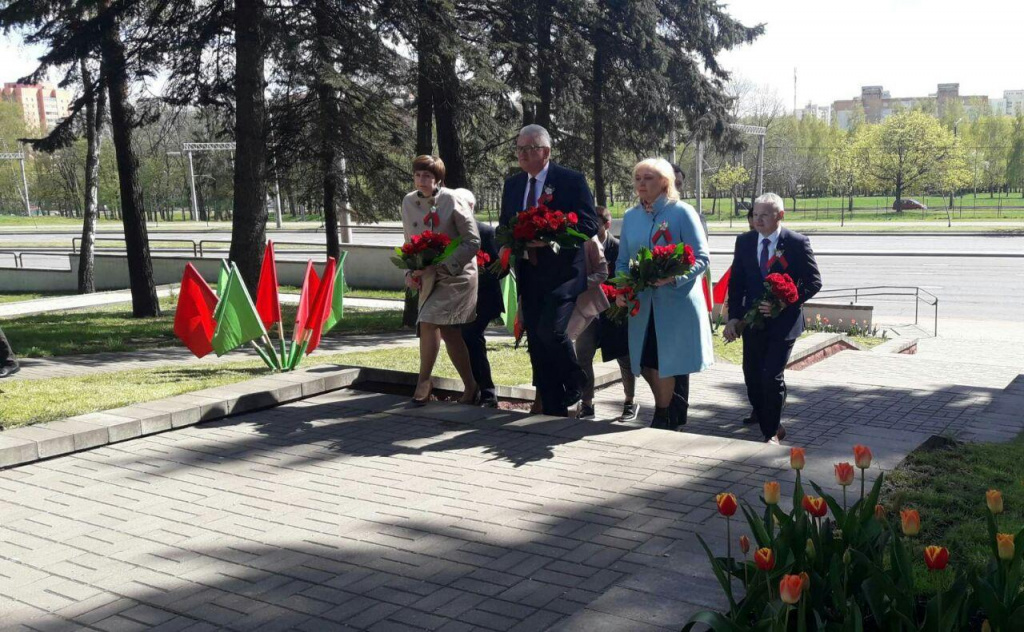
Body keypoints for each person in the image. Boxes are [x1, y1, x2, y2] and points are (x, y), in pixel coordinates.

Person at [499, 125, 598, 417]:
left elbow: (589, 224)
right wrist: (510, 242)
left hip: (563, 272)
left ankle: (575, 378)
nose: (523, 154)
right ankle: (553, 410)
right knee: (537, 342)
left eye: (529, 149)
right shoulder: (514, 185)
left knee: (551, 331)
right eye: (519, 149)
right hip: (529, 272)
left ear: (546, 152)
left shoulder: (570, 180)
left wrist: (551, 235)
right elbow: (505, 225)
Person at [615, 158, 714, 430]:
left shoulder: (682, 212)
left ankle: (663, 416)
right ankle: (666, 411)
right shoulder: (632, 216)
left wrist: (674, 277)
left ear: (665, 182)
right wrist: (621, 289)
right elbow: (623, 260)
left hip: (675, 304)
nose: (641, 183)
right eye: (638, 178)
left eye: (648, 178)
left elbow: (702, 257)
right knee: (646, 363)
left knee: (665, 361)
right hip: (642, 305)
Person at [723, 193, 822, 444]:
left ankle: (770, 432)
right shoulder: (744, 241)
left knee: (771, 376)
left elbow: (814, 283)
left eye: (765, 215)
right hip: (753, 322)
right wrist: (734, 317)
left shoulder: (797, 243)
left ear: (780, 216)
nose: (758, 220)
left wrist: (785, 301)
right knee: (752, 376)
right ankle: (768, 418)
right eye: (755, 214)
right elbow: (736, 284)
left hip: (784, 323)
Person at [401, 155, 482, 405]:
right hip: (428, 275)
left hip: (456, 275)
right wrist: (409, 271)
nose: (421, 180)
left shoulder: (452, 199)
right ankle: (471, 386)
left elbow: (473, 241)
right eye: (417, 175)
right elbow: (408, 242)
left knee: (427, 320)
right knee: (447, 331)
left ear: (438, 179)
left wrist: (448, 264)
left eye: (427, 176)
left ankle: (423, 381)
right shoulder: (408, 202)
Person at [575, 206, 638, 421]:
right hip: (589, 311)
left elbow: (625, 278)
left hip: (615, 310)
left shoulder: (619, 248)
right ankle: (587, 403)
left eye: (596, 223)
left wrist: (616, 297)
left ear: (607, 225)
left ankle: (629, 401)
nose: (590, 227)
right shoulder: (582, 245)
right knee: (583, 356)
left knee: (624, 358)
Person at [462, 220, 504, 408]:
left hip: (483, 298)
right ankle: (473, 387)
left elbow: (501, 269)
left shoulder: (486, 232)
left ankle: (487, 392)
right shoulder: (446, 228)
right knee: (462, 338)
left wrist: (479, 271)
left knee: (471, 334)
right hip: (456, 295)